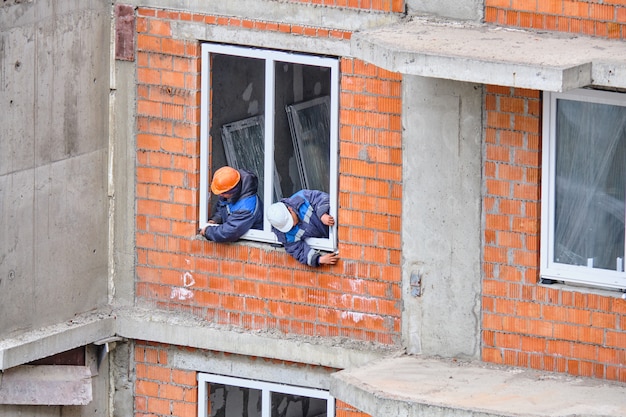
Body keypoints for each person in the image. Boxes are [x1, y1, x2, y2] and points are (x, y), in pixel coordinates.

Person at [267, 189, 339, 267]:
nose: (293, 225)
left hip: (338, 226)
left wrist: (322, 214)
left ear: (290, 209)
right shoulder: (285, 235)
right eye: (288, 226)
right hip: (332, 242)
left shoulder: (302, 198)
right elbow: (298, 250)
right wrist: (319, 259)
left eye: (291, 221)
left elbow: (322, 198)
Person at [200, 166, 263, 242]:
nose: (220, 195)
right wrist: (215, 219)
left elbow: (230, 232)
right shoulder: (230, 191)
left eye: (222, 193)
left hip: (251, 241)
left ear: (231, 191)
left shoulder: (246, 208)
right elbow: (222, 206)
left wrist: (208, 231)